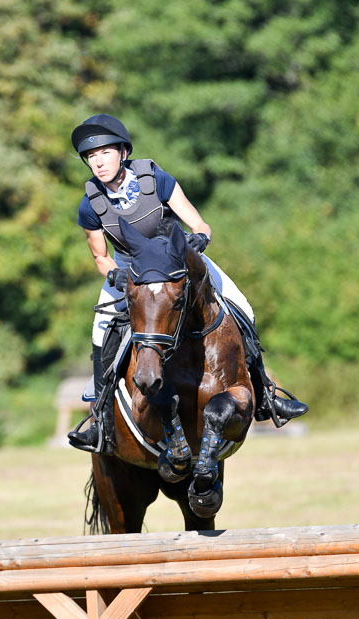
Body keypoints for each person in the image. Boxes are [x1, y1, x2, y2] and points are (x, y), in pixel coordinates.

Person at [68, 114, 307, 451]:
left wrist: (198, 240)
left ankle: (266, 392)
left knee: (243, 306)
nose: (98, 162)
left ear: (123, 152)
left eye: (105, 153)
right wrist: (114, 274)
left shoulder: (157, 179)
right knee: (100, 328)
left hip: (178, 258)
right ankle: (101, 420)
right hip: (132, 270)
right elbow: (100, 256)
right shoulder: (89, 205)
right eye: (91, 157)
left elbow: (199, 223)